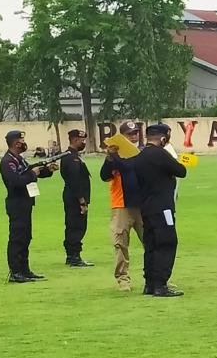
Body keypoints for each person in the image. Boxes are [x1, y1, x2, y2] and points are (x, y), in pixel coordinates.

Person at [135, 123, 187, 297]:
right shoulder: (160, 154)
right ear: (163, 137)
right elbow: (181, 171)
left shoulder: (140, 156)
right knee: (167, 242)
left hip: (146, 207)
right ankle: (160, 284)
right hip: (163, 206)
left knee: (150, 244)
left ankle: (149, 283)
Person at [1, 130, 55, 283]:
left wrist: (46, 170)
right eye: (22, 140)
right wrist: (34, 174)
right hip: (16, 203)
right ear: (16, 143)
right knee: (17, 238)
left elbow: (29, 171)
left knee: (25, 237)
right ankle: (16, 272)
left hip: (25, 202)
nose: (24, 143)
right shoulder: (8, 162)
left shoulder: (19, 159)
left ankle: (25, 269)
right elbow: (16, 181)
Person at [100, 122, 144, 291]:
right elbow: (104, 176)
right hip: (122, 205)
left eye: (135, 133)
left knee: (152, 241)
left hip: (142, 204)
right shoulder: (115, 156)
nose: (133, 136)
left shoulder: (142, 154)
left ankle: (156, 276)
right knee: (120, 244)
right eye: (130, 134)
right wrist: (111, 157)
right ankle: (123, 278)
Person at [60, 129, 93, 267]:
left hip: (74, 197)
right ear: (74, 140)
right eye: (81, 140)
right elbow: (75, 181)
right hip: (75, 198)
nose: (83, 142)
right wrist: (81, 201)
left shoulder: (74, 156)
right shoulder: (71, 157)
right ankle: (73, 256)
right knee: (76, 226)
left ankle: (73, 255)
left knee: (77, 226)